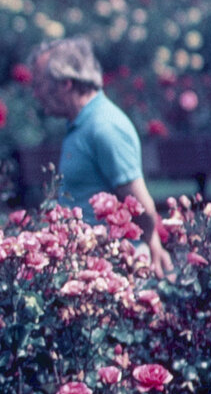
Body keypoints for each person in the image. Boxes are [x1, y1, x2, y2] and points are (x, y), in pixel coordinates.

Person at [28, 36, 173, 274]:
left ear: (66, 83)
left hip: (111, 270)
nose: (36, 93)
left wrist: (147, 242)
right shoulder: (82, 125)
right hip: (89, 267)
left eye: (40, 84)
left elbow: (142, 209)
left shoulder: (104, 127)